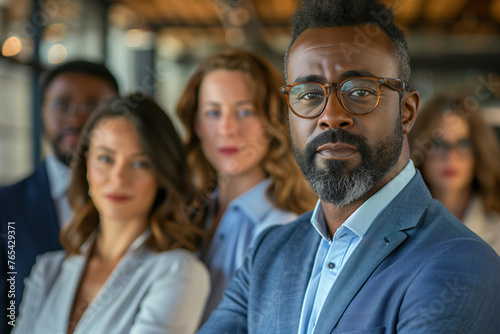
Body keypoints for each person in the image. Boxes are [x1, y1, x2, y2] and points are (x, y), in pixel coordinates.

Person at [198, 1, 500, 333]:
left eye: (359, 91)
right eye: (309, 94)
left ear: (407, 112)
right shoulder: (269, 253)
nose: (330, 116)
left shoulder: (462, 263)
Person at [13, 93, 210, 334]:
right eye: (106, 158)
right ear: (86, 164)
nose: (118, 178)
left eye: (140, 163)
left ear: (161, 174)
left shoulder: (179, 272)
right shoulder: (48, 270)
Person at [176, 49, 316, 322]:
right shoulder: (185, 213)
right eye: (213, 112)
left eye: (244, 111)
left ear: (273, 121)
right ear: (197, 125)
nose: (228, 128)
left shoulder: (288, 230)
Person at [0, 60, 119, 331]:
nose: (76, 119)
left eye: (92, 106)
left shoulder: (145, 202)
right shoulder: (4, 208)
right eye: (62, 105)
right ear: (42, 112)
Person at [409, 92, 500, 254]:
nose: (450, 156)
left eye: (463, 143)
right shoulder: (397, 226)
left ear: (479, 151)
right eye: (438, 142)